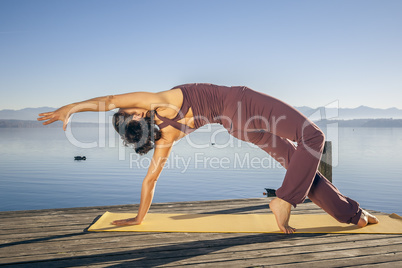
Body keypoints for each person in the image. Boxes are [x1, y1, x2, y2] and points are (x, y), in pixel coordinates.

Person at [37, 83, 379, 234]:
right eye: (129, 110)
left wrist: (138, 219)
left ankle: (352, 215)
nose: (129, 104)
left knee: (297, 162)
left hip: (238, 129)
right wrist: (72, 107)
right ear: (138, 114)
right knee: (313, 137)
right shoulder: (161, 101)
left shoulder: (165, 137)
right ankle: (284, 201)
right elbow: (111, 98)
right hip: (242, 106)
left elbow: (150, 180)